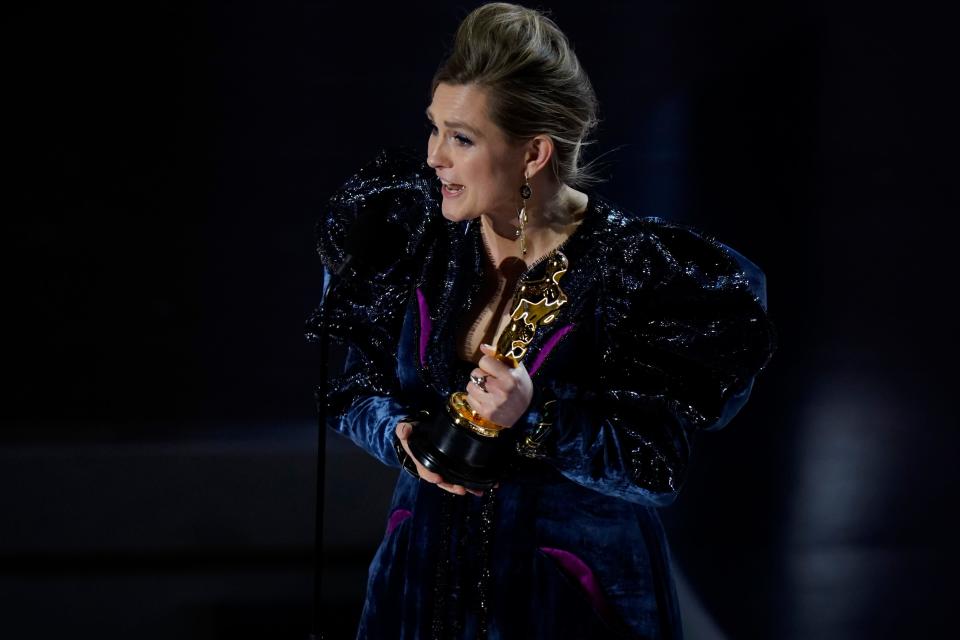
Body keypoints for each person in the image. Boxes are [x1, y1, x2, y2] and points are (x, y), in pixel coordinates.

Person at [306, 3, 776, 639]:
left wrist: (535, 417)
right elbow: (352, 390)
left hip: (570, 591)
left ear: (533, 154)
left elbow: (653, 467)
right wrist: (402, 433)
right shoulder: (415, 236)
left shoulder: (635, 273)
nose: (434, 158)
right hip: (420, 584)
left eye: (461, 138)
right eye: (434, 128)